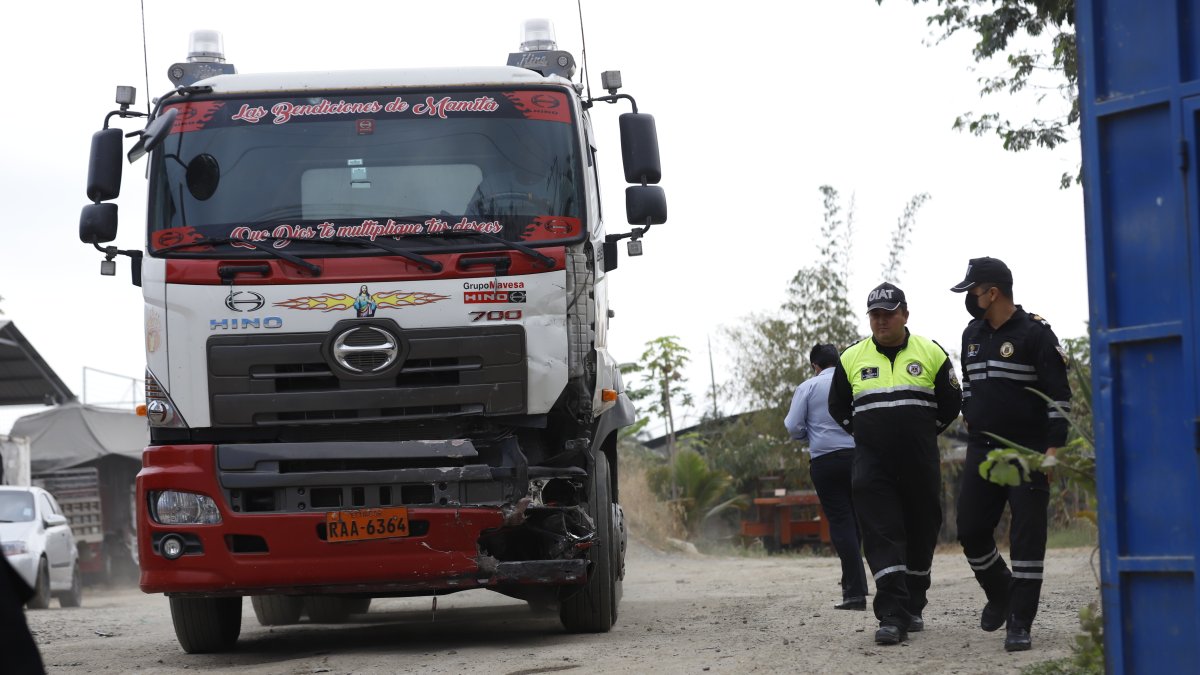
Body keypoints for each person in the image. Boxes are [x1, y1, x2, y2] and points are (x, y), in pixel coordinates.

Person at [828, 282, 961, 645]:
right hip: (872, 466)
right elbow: (838, 407)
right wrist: (866, 435)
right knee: (881, 534)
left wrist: (920, 433)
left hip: (919, 463)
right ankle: (891, 615)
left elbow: (951, 403)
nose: (881, 320)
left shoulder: (931, 353)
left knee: (921, 531)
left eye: (888, 313)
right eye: (875, 315)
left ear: (905, 314)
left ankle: (913, 603)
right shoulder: (852, 357)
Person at [949, 257, 1071, 652]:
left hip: (1028, 452)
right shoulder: (972, 333)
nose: (970, 298)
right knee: (969, 529)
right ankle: (1001, 591)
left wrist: (1052, 450)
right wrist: (970, 412)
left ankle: (1020, 623)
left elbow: (1059, 398)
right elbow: (967, 382)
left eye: (973, 290)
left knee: (1027, 539)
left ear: (993, 292)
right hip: (983, 450)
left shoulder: (1035, 334)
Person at [784, 343, 869, 611]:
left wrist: (808, 436)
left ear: (815, 366)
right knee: (856, 520)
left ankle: (854, 592)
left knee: (841, 521)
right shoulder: (853, 382)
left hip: (825, 460)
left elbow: (792, 425)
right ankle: (854, 587)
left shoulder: (807, 387)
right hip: (858, 457)